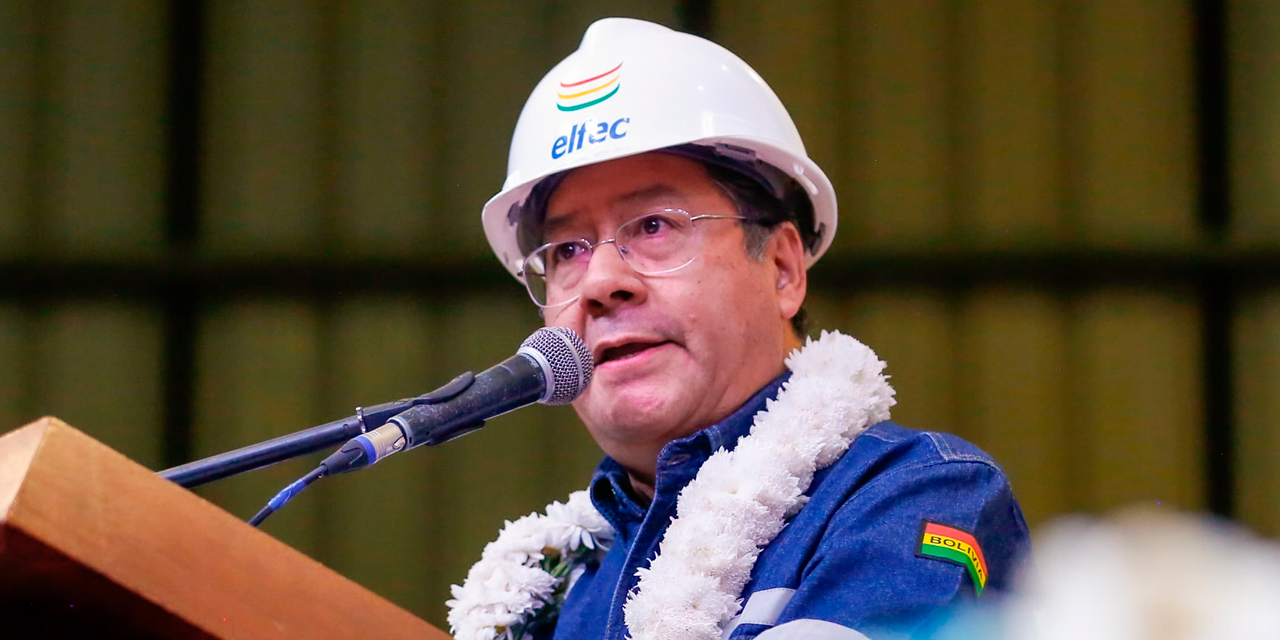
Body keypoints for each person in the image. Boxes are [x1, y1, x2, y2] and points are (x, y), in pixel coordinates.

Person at [447, 18, 1030, 640]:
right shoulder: (560, 589)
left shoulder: (915, 494)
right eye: (566, 250)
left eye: (653, 226)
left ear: (782, 269)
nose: (599, 282)